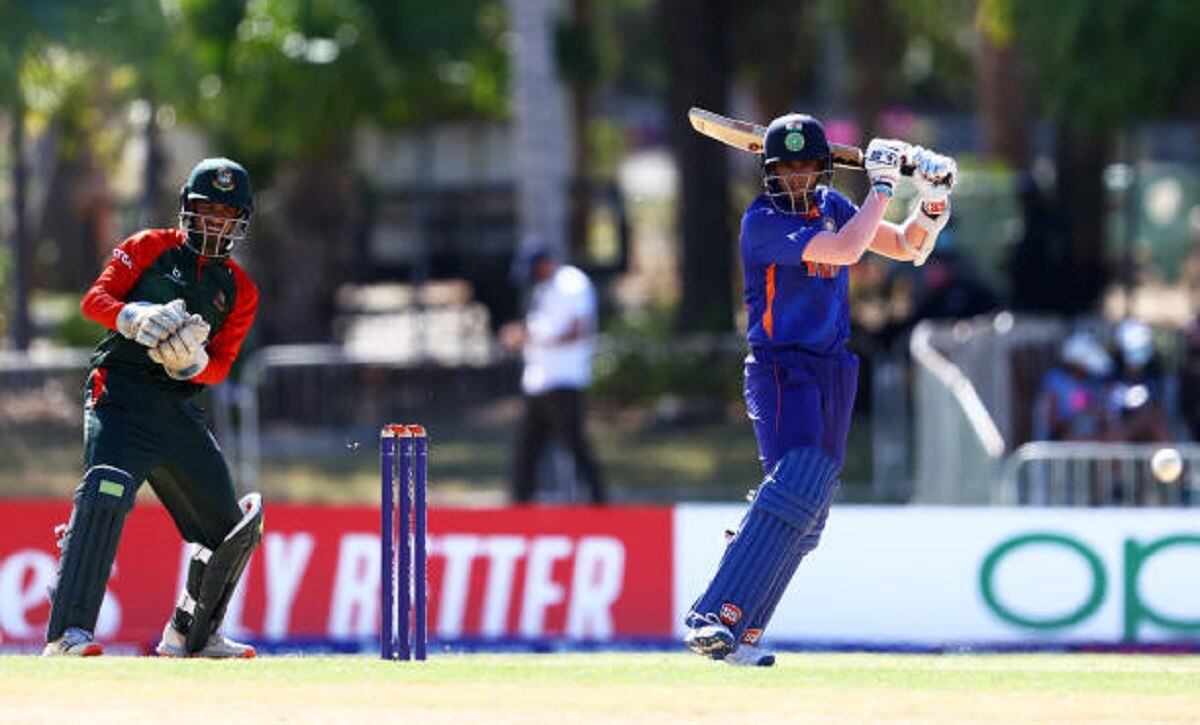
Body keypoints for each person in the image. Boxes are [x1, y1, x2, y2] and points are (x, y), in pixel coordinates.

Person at [682, 114, 956, 666]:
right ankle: (711, 615)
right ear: (769, 172)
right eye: (787, 169)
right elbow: (846, 251)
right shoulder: (761, 222)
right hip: (782, 367)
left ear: (824, 168)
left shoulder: (832, 205)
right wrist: (882, 183)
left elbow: (907, 246)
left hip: (833, 366)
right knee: (799, 474)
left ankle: (743, 635)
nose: (799, 179)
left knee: (808, 517)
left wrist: (932, 199)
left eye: (809, 167)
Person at [43, 158, 262, 658]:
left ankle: (192, 635)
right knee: (106, 489)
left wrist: (192, 364)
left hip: (177, 406)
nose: (215, 222)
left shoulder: (239, 290)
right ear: (188, 210)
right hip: (120, 393)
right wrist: (132, 316)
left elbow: (221, 367)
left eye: (226, 214)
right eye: (206, 210)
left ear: (241, 220)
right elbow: (94, 300)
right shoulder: (149, 247)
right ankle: (68, 635)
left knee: (230, 529)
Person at [501, 244, 606, 504]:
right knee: (526, 452)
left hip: (564, 381)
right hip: (539, 383)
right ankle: (519, 509)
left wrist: (530, 338)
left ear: (546, 262)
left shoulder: (572, 284)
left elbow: (578, 330)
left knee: (575, 447)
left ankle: (600, 505)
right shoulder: (544, 289)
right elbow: (544, 327)